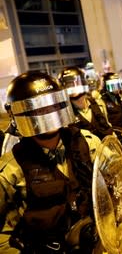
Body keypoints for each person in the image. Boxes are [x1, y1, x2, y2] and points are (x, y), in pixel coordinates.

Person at [0, 71, 102, 253]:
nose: (48, 113)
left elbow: (114, 192)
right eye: (38, 109)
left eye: (53, 105)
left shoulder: (90, 144)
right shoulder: (10, 170)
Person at [58, 66, 113, 140]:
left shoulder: (99, 103)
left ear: (83, 83)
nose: (72, 87)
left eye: (75, 83)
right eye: (68, 85)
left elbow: (108, 124)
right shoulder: (65, 115)